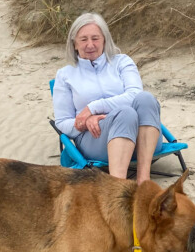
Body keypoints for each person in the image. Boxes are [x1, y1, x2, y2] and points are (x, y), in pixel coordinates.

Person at [53, 12, 164, 183]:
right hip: (96, 140)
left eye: (95, 38)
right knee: (125, 113)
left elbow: (135, 95)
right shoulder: (65, 75)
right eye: (83, 39)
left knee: (145, 99)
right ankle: (117, 187)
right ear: (74, 44)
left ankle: (144, 179)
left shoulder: (122, 62)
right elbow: (62, 122)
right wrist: (85, 122)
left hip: (142, 141)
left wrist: (92, 108)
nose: (90, 44)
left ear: (105, 40)